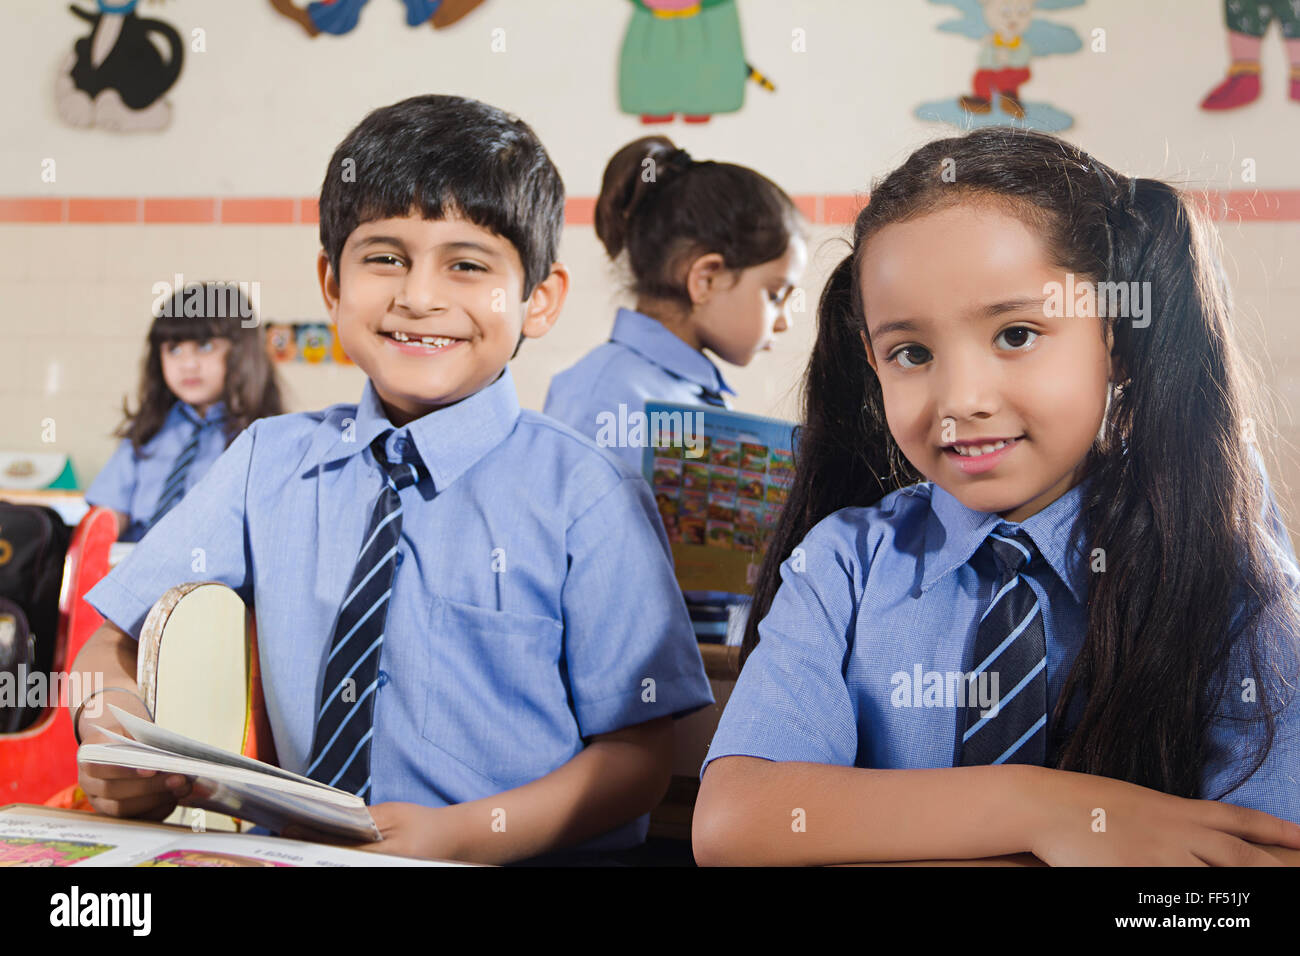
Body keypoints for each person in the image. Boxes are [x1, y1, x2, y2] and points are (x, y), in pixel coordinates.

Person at [72, 94, 713, 865]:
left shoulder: (587, 491)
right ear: (332, 284)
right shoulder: (265, 463)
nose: (418, 296)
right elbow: (107, 642)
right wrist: (114, 733)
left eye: (467, 265)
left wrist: (460, 838)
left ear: (539, 300)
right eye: (384, 257)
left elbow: (638, 761)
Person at [693, 126, 1300, 866]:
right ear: (870, 359)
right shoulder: (844, 565)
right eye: (911, 353)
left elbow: (1257, 864)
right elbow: (733, 822)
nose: (961, 399)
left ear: (1115, 333)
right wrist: (1041, 807)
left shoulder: (1223, 571)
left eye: (1016, 334)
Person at [544, 135, 805, 474]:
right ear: (706, 279)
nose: (784, 321)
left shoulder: (678, 393)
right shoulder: (604, 400)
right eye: (773, 295)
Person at [85, 282, 283, 542]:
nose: (188, 365)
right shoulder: (148, 431)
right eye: (174, 350)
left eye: (205, 346)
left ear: (241, 352)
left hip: (217, 575)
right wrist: (99, 536)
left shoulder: (264, 440)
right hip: (134, 565)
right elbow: (109, 511)